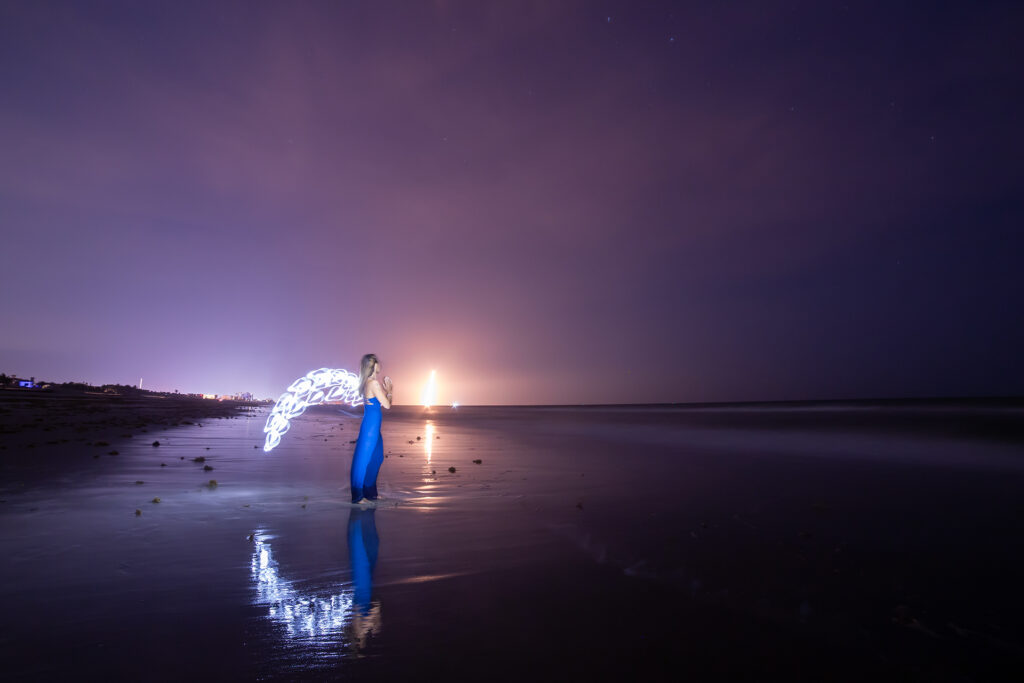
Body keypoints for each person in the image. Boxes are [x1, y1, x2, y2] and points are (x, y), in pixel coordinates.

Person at [351, 353, 392, 504]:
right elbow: (387, 405)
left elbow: (381, 403)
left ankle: (370, 492)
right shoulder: (373, 383)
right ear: (373, 365)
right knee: (362, 460)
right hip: (370, 427)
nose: (380, 364)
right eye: (377, 361)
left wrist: (387, 393)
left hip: (374, 425)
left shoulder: (369, 382)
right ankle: (357, 496)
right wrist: (390, 390)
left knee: (377, 457)